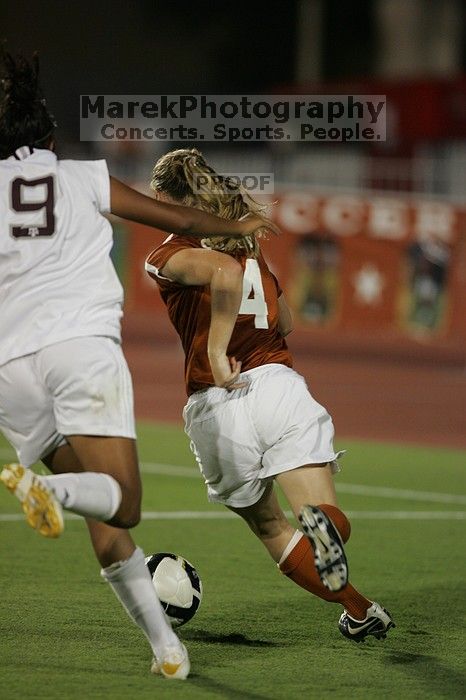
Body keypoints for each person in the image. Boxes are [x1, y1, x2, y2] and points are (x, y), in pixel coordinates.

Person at [0, 51, 274, 680]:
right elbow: (177, 218)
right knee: (120, 503)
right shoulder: (82, 177)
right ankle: (49, 492)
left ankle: (167, 650)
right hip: (80, 350)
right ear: (48, 137)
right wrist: (239, 222)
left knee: (105, 516)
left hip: (11, 367)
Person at [145, 148, 395, 644]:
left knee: (270, 526)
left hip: (216, 404)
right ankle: (358, 609)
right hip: (278, 386)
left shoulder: (167, 255)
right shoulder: (248, 248)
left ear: (162, 199)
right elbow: (286, 321)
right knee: (321, 521)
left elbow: (222, 274)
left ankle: (356, 604)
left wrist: (217, 352)